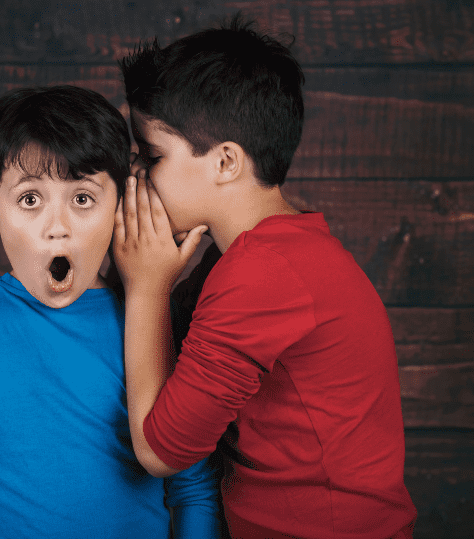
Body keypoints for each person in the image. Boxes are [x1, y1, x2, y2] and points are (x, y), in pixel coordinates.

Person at [112, 16, 418, 539]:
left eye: (152, 155)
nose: (136, 175)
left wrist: (148, 286)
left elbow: (160, 450)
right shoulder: (269, 253)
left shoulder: (262, 273)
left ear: (226, 161)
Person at [0, 85, 222, 539]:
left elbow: (195, 490)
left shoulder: (156, 328)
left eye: (82, 199)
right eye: (30, 199)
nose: (56, 228)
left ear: (119, 204)